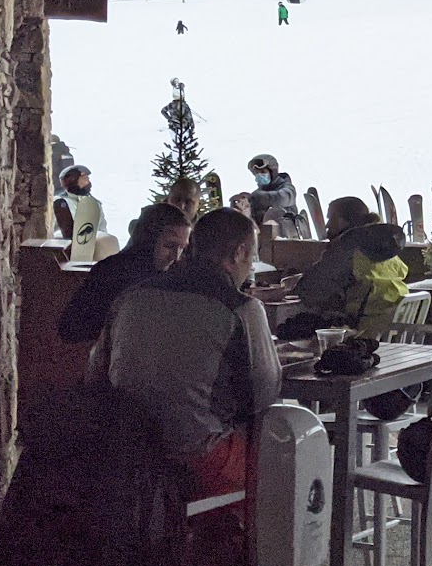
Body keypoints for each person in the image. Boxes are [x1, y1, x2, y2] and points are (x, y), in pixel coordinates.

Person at [104, 207, 280, 500]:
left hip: (122, 448)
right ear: (239, 252)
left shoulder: (132, 297)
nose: (251, 266)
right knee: (285, 455)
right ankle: (242, 530)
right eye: (252, 257)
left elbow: (98, 369)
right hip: (195, 455)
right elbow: (262, 395)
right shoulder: (242, 309)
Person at [57, 203, 191, 348]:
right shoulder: (110, 273)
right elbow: (70, 328)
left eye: (182, 248)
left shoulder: (177, 278)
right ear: (148, 241)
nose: (176, 256)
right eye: (169, 246)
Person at [292, 195, 411, 338]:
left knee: (294, 326)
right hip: (390, 326)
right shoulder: (387, 250)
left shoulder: (347, 250)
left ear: (342, 221)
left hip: (360, 330)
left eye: (330, 218)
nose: (327, 225)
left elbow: (309, 290)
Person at [246, 154, 307, 238]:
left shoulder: (287, 188)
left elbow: (283, 198)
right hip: (264, 238)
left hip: (286, 237)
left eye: (263, 172)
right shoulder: (256, 195)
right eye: (257, 173)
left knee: (275, 211)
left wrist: (261, 197)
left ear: (272, 172)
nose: (259, 176)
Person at [54, 163, 106, 238]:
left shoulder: (95, 205)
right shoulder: (58, 202)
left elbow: (102, 230)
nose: (89, 183)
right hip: (62, 242)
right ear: (73, 181)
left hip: (92, 242)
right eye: (85, 179)